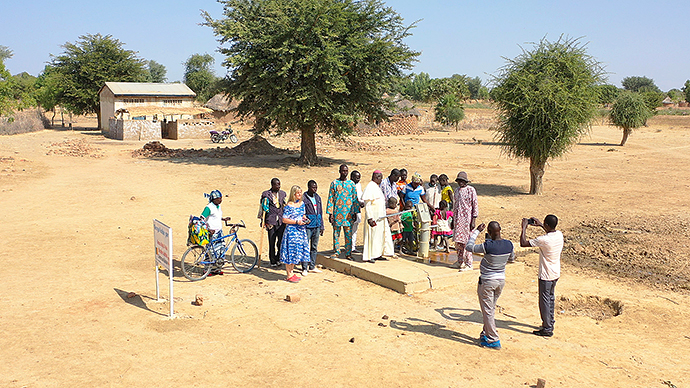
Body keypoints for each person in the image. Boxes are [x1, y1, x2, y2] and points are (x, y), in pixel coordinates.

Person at [466, 221, 516, 350]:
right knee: (490, 308)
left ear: (488, 232)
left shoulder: (488, 246)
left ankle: (493, 340)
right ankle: (486, 333)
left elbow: (469, 247)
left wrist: (476, 231)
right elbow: (511, 259)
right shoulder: (509, 244)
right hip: (501, 281)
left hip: (488, 281)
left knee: (488, 311)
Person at [521, 214, 563, 337]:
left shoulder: (543, 240)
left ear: (547, 225)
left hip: (546, 275)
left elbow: (523, 243)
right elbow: (550, 233)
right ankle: (550, 322)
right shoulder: (559, 234)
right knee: (550, 298)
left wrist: (524, 227)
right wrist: (540, 225)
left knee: (544, 301)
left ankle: (547, 328)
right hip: (555, 273)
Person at [326, 164, 360, 260]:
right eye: (343, 171)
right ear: (339, 171)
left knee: (348, 234)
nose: (344, 173)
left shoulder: (351, 184)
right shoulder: (334, 183)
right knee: (336, 233)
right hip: (337, 213)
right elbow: (330, 198)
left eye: (346, 171)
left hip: (349, 214)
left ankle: (348, 253)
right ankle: (336, 251)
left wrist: (356, 212)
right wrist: (330, 213)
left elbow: (355, 199)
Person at [361, 170, 395, 263]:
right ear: (376, 177)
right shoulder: (370, 187)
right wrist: (370, 218)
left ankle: (378, 254)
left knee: (379, 237)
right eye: (380, 177)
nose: (381, 179)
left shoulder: (377, 187)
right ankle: (370, 256)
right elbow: (367, 205)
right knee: (372, 237)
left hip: (380, 218)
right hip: (373, 218)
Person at [280, 185, 311, 283]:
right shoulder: (289, 205)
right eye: (298, 193)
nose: (300, 194)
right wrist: (296, 222)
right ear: (293, 194)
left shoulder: (302, 204)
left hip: (301, 231)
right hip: (292, 232)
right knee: (290, 252)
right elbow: (284, 219)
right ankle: (289, 274)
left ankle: (292, 272)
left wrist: (305, 219)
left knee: (297, 252)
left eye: (300, 192)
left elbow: (302, 215)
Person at [452, 172, 478, 270]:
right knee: (459, 243)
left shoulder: (471, 190)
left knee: (467, 242)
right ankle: (460, 261)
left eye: (462, 181)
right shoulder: (457, 191)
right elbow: (455, 206)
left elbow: (475, 204)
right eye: (459, 181)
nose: (460, 183)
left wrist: (473, 220)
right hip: (458, 221)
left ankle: (469, 263)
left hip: (467, 220)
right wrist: (453, 220)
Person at [201, 189, 231, 275]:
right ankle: (207, 269)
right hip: (211, 233)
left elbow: (216, 216)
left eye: (221, 198)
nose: (220, 200)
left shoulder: (218, 206)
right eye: (218, 198)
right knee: (210, 251)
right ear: (214, 199)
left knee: (220, 250)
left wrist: (223, 219)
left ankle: (217, 269)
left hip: (219, 232)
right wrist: (208, 229)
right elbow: (202, 219)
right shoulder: (209, 207)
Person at [259, 178, 287, 268]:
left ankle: (278, 258)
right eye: (276, 185)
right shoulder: (266, 194)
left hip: (281, 221)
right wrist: (262, 220)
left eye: (279, 184)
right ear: (272, 185)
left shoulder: (282, 194)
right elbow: (262, 208)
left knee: (281, 241)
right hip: (270, 221)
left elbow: (285, 206)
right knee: (272, 241)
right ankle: (272, 260)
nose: (278, 186)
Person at [302, 180, 324, 275]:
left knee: (314, 247)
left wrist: (321, 225)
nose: (315, 189)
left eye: (316, 187)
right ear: (308, 187)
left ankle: (312, 266)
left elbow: (320, 212)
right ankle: (304, 267)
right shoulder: (304, 198)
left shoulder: (318, 197)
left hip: (317, 225)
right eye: (313, 187)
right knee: (305, 246)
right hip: (308, 227)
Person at [349, 170, 365, 253]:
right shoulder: (348, 185)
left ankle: (353, 247)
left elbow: (360, 196)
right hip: (350, 211)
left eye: (359, 178)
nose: (358, 179)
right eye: (357, 178)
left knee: (355, 229)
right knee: (349, 229)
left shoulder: (358, 185)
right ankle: (348, 247)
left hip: (357, 210)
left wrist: (362, 202)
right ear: (352, 177)